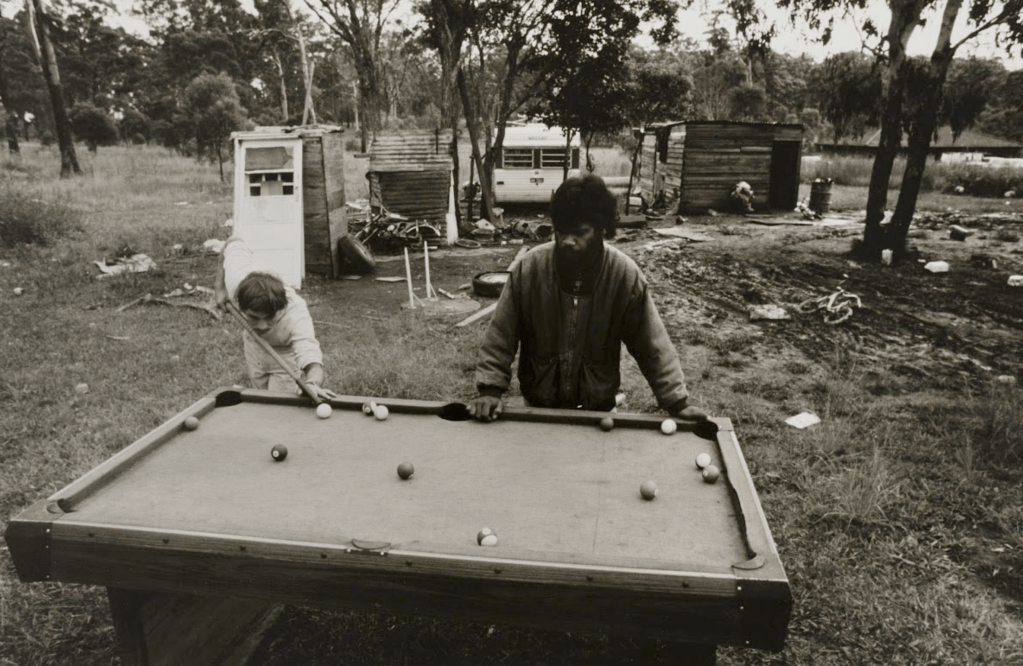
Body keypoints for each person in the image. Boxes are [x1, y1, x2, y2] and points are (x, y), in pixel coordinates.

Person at [468, 174, 707, 423]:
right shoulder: (529, 270)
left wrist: (676, 402)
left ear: (601, 229)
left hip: (599, 412)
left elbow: (652, 345)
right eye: (561, 232)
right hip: (538, 410)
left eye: (579, 232)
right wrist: (490, 390)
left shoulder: (624, 275)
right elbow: (500, 336)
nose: (567, 241)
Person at [214, 236, 334, 400]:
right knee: (262, 401)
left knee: (280, 410)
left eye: (269, 317)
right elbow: (232, 242)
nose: (262, 326)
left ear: (280, 308)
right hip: (253, 346)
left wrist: (312, 382)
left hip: (285, 354)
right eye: (254, 317)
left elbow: (311, 358)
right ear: (241, 304)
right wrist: (219, 288)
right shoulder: (236, 279)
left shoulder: (296, 315)